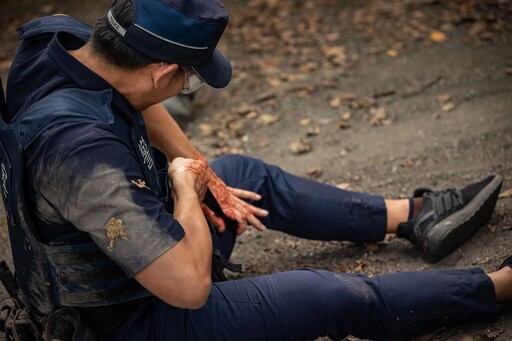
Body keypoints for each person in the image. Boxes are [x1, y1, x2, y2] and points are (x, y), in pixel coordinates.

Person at [0, 0, 510, 340]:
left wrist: (206, 176)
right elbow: (188, 287)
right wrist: (184, 192)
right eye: (189, 81)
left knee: (241, 174)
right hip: (131, 317)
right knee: (331, 295)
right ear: (160, 70)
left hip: (130, 251)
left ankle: (413, 216)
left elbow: (143, 101)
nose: (183, 90)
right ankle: (500, 285)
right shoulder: (82, 157)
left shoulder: (65, 44)